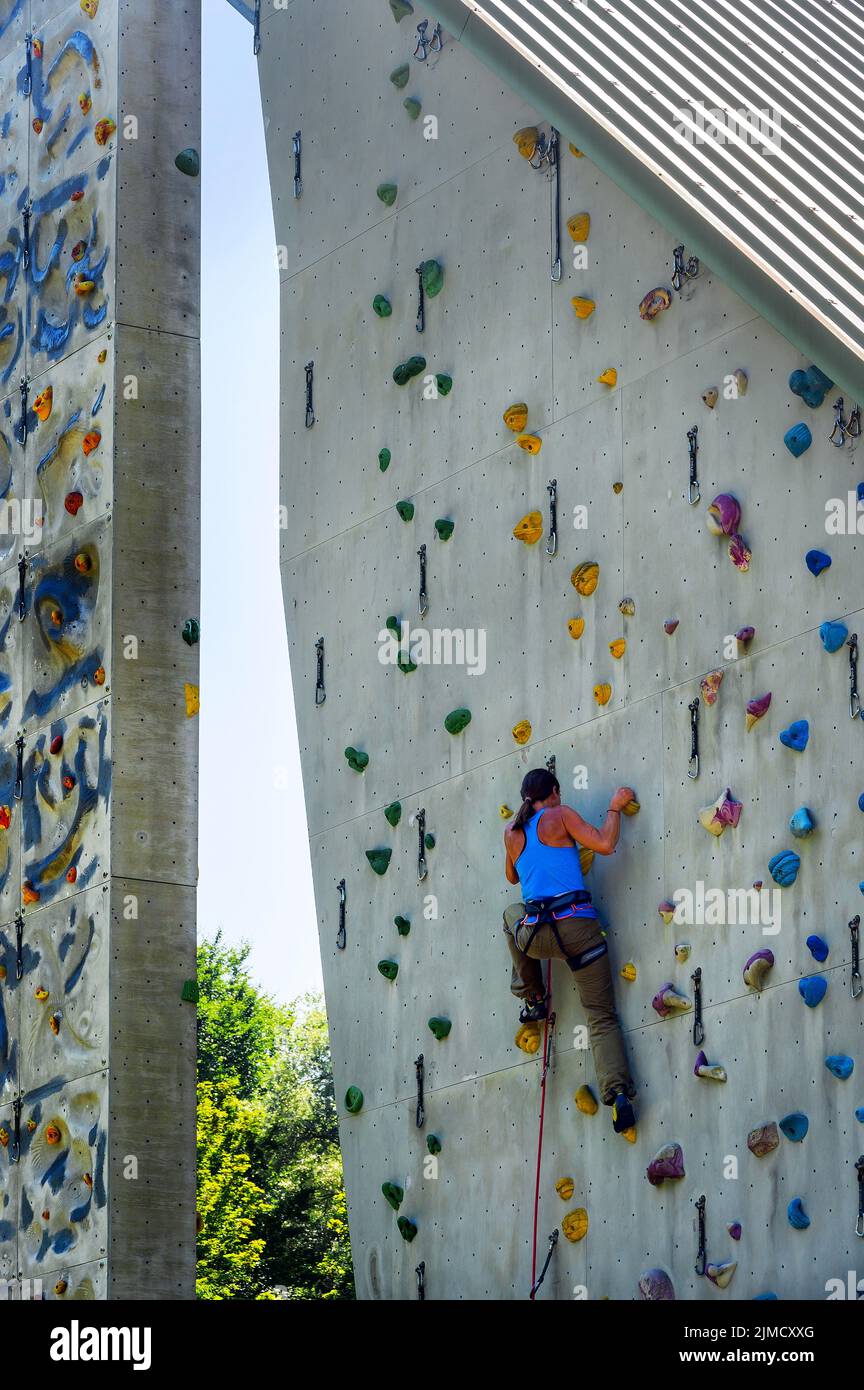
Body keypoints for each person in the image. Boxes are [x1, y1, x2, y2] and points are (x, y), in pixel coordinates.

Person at [503, 766, 637, 1133]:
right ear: (555, 791)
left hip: (536, 934)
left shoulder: (512, 832)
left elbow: (512, 877)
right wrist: (614, 807)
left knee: (508, 915)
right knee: (600, 1015)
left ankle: (532, 997)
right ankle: (618, 1096)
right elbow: (606, 844)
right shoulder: (560, 815)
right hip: (579, 931)